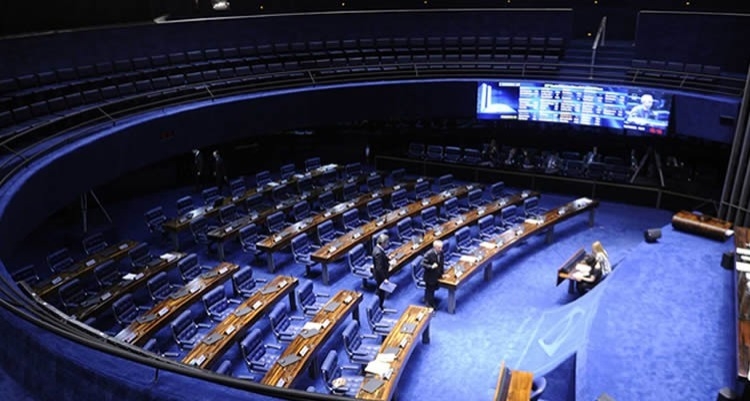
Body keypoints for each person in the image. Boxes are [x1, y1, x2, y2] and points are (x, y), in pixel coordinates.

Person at [421, 240, 444, 309]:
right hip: (429, 276)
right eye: (439, 248)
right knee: (430, 291)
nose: (441, 249)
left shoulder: (441, 253)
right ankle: (429, 306)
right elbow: (423, 264)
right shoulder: (429, 254)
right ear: (435, 247)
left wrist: (442, 273)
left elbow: (441, 264)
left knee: (432, 290)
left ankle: (427, 299)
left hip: (436, 274)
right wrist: (431, 266)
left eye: (441, 247)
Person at [371, 233, 391, 308]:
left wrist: (387, 259)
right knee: (381, 292)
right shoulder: (378, 253)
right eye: (387, 243)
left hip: (379, 274)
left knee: (380, 290)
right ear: (382, 243)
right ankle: (380, 306)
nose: (388, 244)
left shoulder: (377, 248)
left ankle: (378, 305)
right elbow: (379, 268)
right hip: (380, 276)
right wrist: (384, 279)